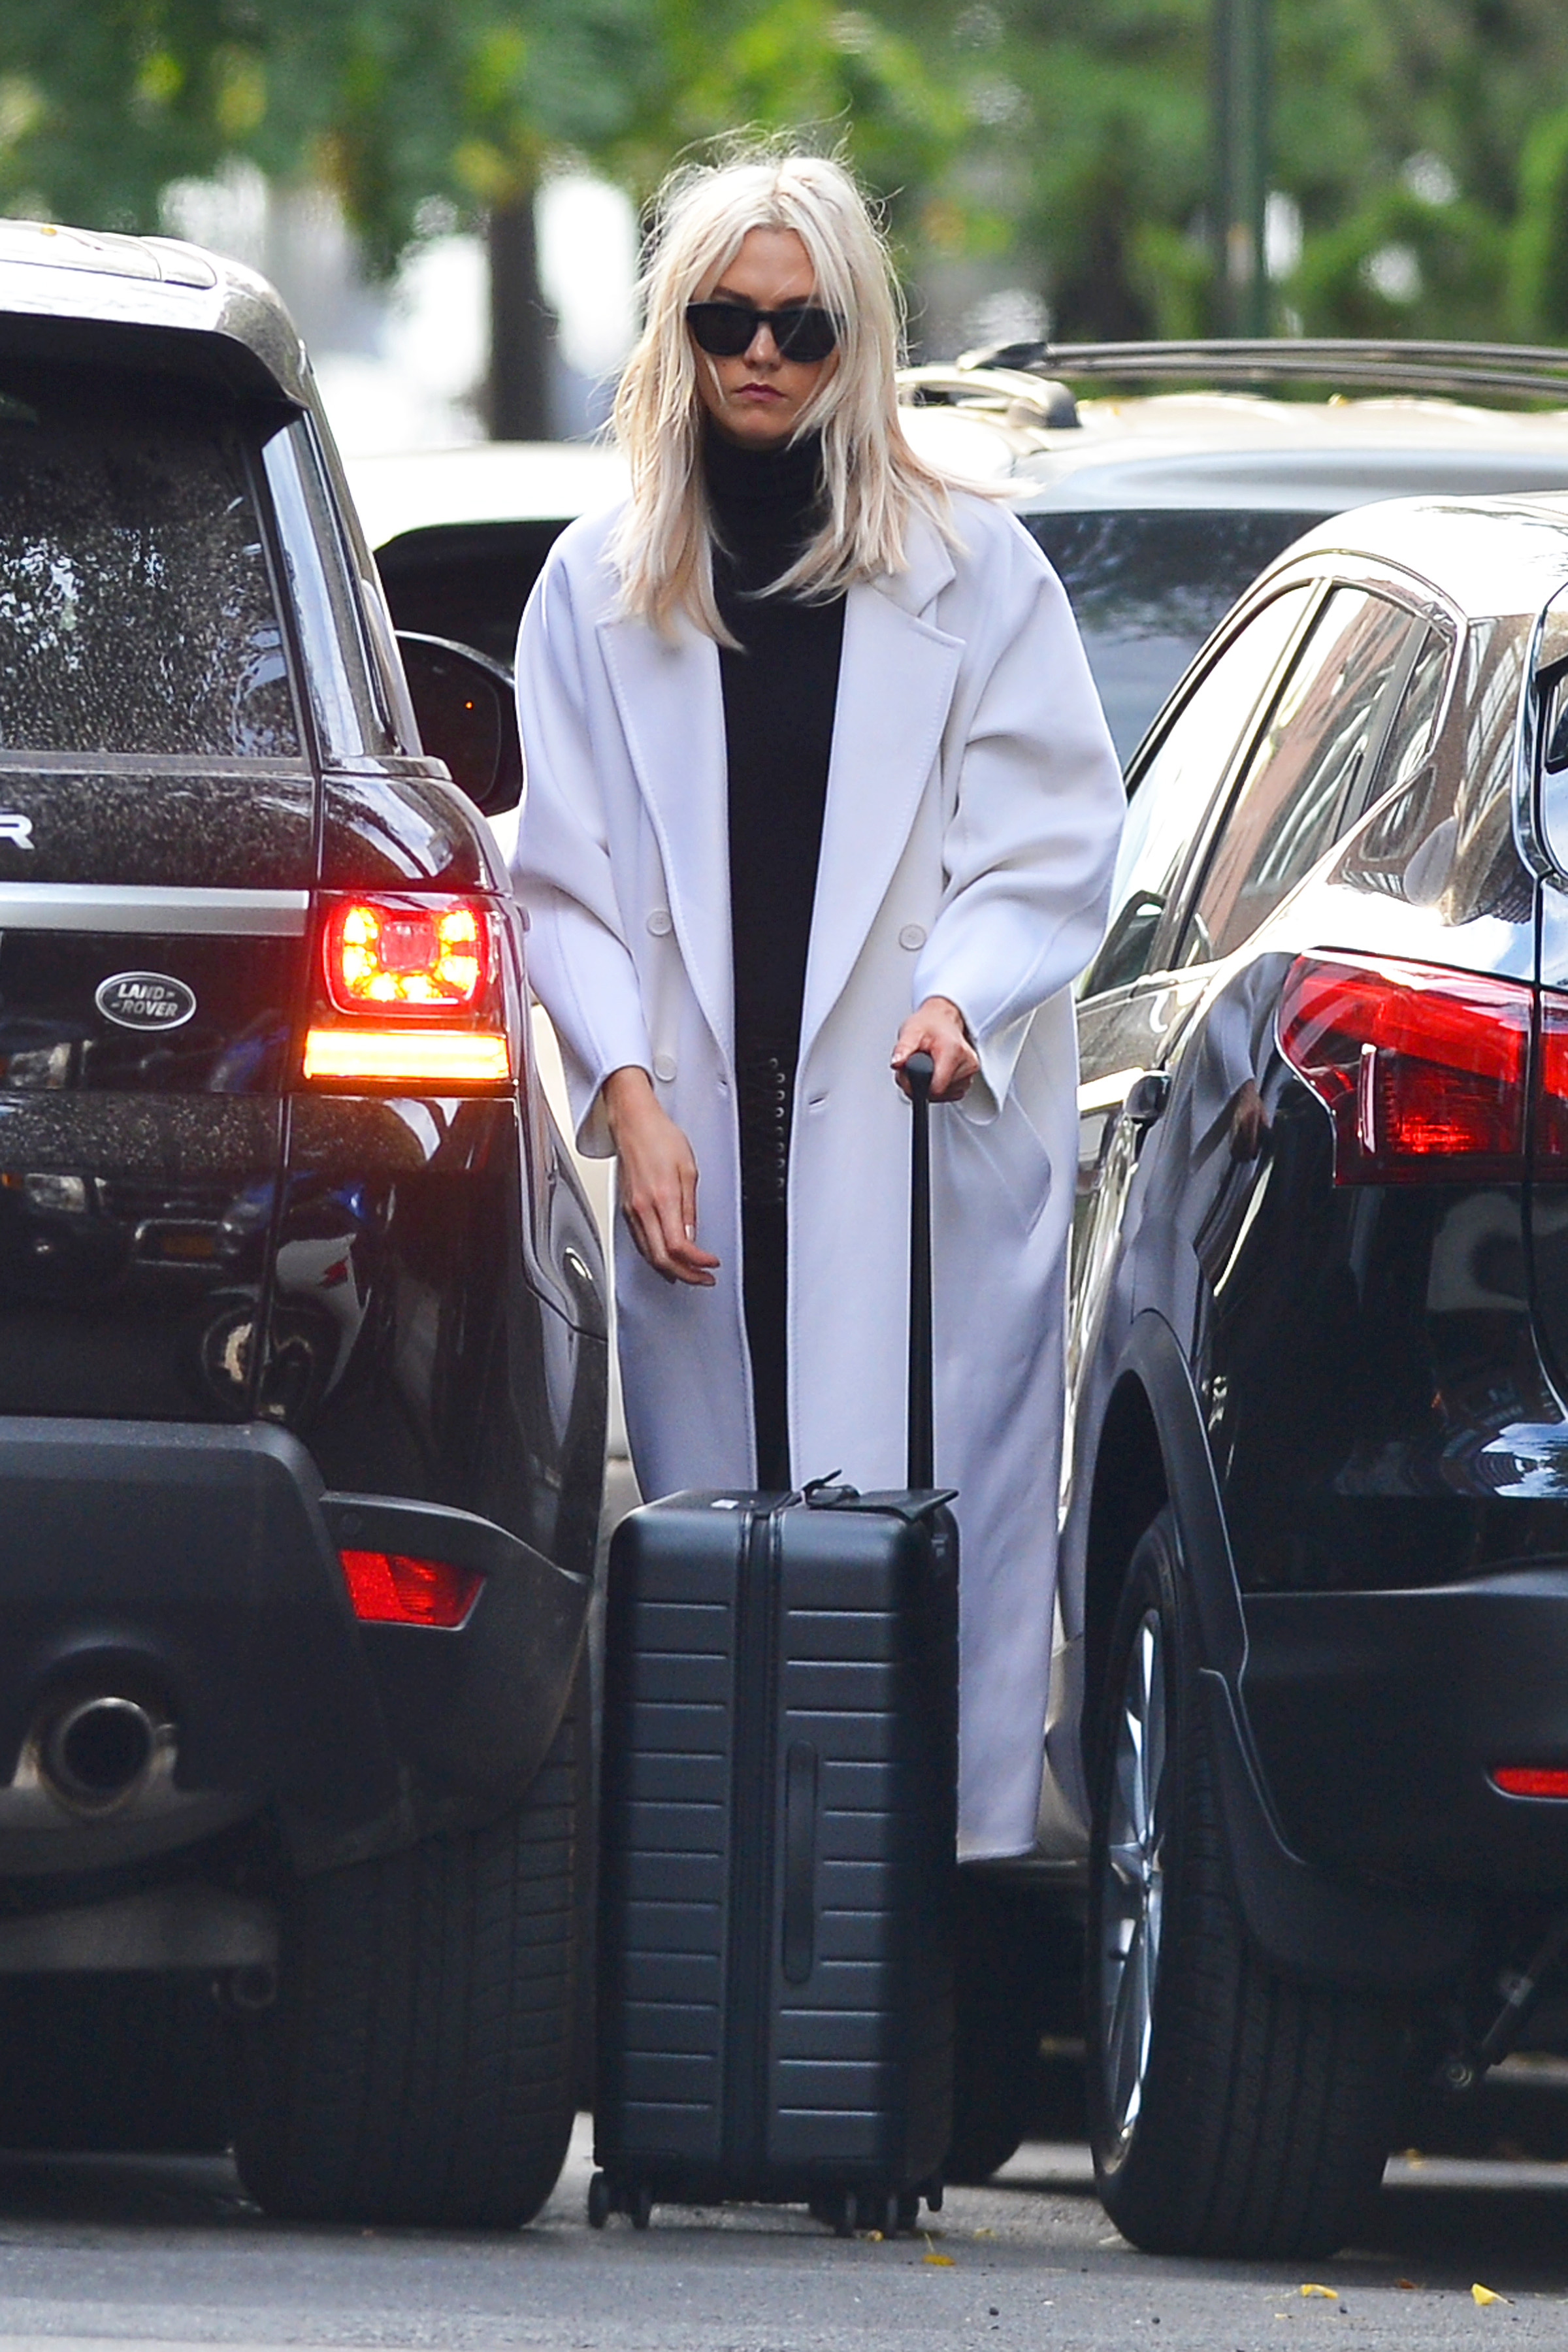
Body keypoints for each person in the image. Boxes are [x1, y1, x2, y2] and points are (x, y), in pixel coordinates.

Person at [513, 150, 1124, 1859]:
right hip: (704, 1138)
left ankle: (912, 1925)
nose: (763, 355)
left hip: (913, 1136)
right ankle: (736, 1918)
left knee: (913, 1552)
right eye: (727, 322)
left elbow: (1052, 835)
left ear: (858, 339)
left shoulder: (976, 570)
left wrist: (964, 1001)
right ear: (679, 336)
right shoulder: (596, 583)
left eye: (801, 324)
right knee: (729, 1554)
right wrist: (628, 1097)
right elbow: (559, 882)